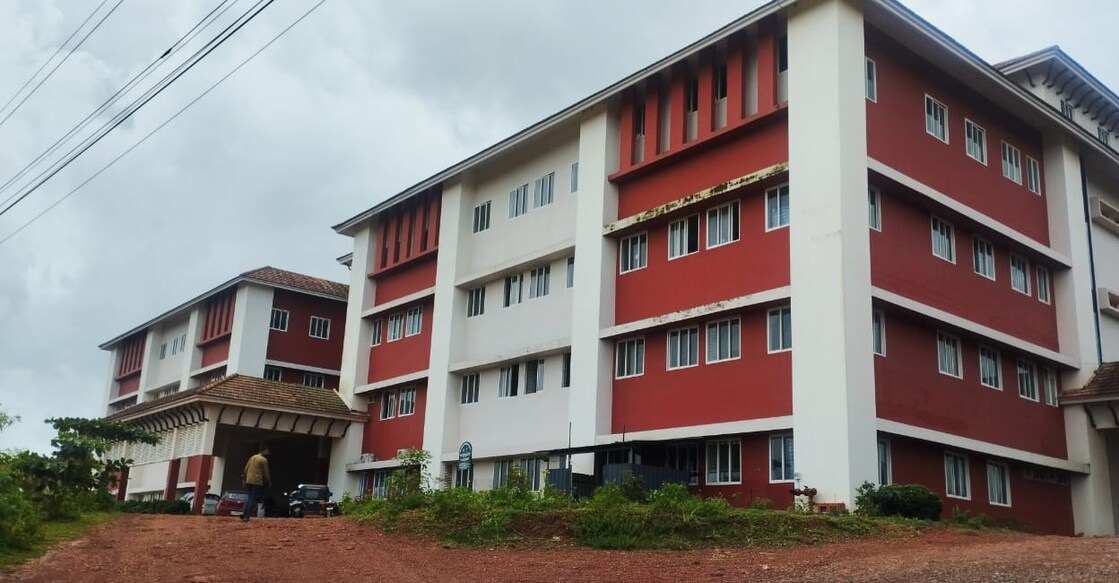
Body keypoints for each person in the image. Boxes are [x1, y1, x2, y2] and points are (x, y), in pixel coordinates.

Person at [240, 447, 270, 522]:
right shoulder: (263, 460)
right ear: (263, 451)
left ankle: (244, 513)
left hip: (249, 480)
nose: (268, 453)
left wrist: (244, 479)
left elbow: (246, 468)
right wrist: (268, 480)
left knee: (249, 497)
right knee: (253, 499)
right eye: (267, 451)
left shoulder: (252, 457)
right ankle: (247, 516)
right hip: (257, 481)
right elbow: (266, 472)